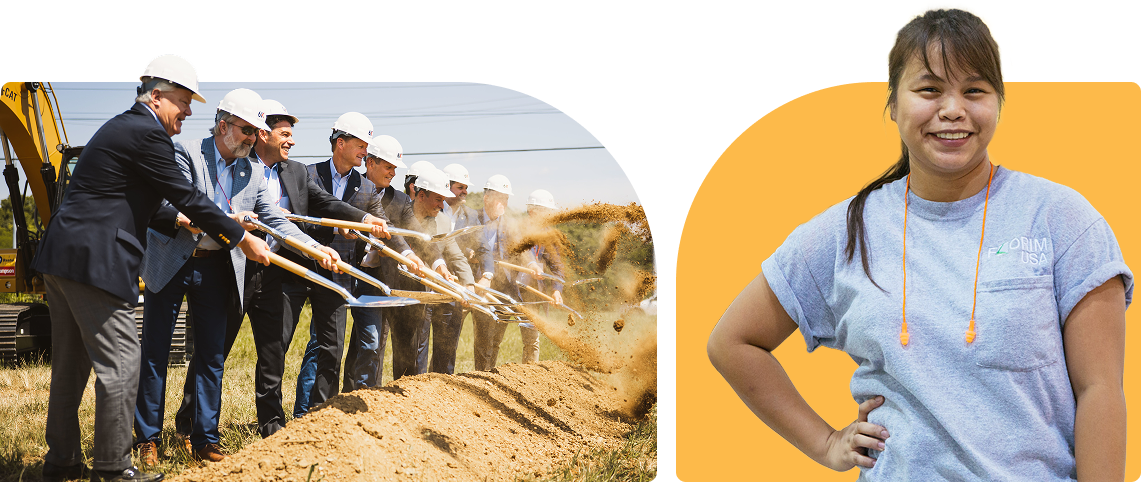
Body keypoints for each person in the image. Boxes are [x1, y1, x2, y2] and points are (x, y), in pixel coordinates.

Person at [706, 4, 1130, 481]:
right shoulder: (848, 231)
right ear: (893, 103)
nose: (953, 109)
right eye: (930, 89)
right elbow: (733, 343)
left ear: (998, 102)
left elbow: (1100, 390)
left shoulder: (1062, 220)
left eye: (975, 90)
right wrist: (826, 443)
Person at [31, 54, 270, 483]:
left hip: (63, 256)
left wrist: (195, 222)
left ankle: (61, 463)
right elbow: (186, 197)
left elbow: (154, 208)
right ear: (156, 97)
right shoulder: (148, 134)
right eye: (184, 101)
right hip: (96, 261)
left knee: (69, 369)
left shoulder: (123, 128)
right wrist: (241, 237)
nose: (190, 111)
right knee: (124, 362)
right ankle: (112, 467)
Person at [134, 88, 343, 464]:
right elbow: (174, 208)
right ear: (222, 125)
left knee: (213, 354)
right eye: (246, 129)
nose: (251, 138)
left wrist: (314, 247)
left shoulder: (253, 170)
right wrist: (234, 226)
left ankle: (205, 439)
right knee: (156, 350)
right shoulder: (187, 154)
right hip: (173, 260)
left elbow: (274, 218)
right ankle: (147, 439)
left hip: (216, 267)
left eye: (255, 131)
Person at [169, 99, 392, 442]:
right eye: (284, 133)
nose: (291, 141)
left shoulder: (297, 172)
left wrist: (362, 219)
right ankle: (188, 422)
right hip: (234, 270)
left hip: (275, 274)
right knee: (215, 351)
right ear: (262, 133)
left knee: (273, 354)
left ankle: (272, 427)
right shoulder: (240, 164)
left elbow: (325, 204)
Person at [290, 112, 403, 417]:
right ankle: (300, 415)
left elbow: (383, 225)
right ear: (341, 143)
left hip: (338, 277)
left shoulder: (366, 188)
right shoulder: (306, 175)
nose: (365, 151)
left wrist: (408, 254)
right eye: (361, 144)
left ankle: (322, 415)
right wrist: (332, 229)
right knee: (306, 348)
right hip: (301, 271)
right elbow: (296, 222)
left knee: (330, 349)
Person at [341, 135, 430, 391]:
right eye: (388, 167)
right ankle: (347, 395)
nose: (392, 173)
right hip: (346, 273)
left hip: (376, 280)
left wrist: (431, 261)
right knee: (344, 343)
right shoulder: (351, 188)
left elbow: (410, 234)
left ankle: (367, 396)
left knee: (371, 342)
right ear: (370, 163)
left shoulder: (400, 200)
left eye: (395, 168)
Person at [381, 167, 471, 379]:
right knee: (381, 349)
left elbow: (449, 253)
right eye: (438, 199)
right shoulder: (399, 212)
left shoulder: (442, 221)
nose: (442, 206)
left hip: (423, 295)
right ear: (421, 195)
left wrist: (467, 282)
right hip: (393, 291)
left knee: (415, 353)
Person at [471, 174, 538, 372]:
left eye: (507, 199)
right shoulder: (473, 218)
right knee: (474, 334)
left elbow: (522, 248)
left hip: (500, 286)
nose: (504, 203)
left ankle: (487, 375)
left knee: (493, 338)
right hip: (474, 284)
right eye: (501, 198)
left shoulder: (508, 224)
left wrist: (532, 264)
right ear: (487, 198)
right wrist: (469, 254)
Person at [515, 189, 565, 363]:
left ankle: (529, 376)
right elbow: (523, 250)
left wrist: (557, 290)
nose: (548, 215)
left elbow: (557, 266)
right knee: (493, 339)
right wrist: (531, 264)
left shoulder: (549, 234)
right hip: (510, 289)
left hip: (532, 294)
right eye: (545, 211)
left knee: (532, 341)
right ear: (532, 211)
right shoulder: (518, 227)